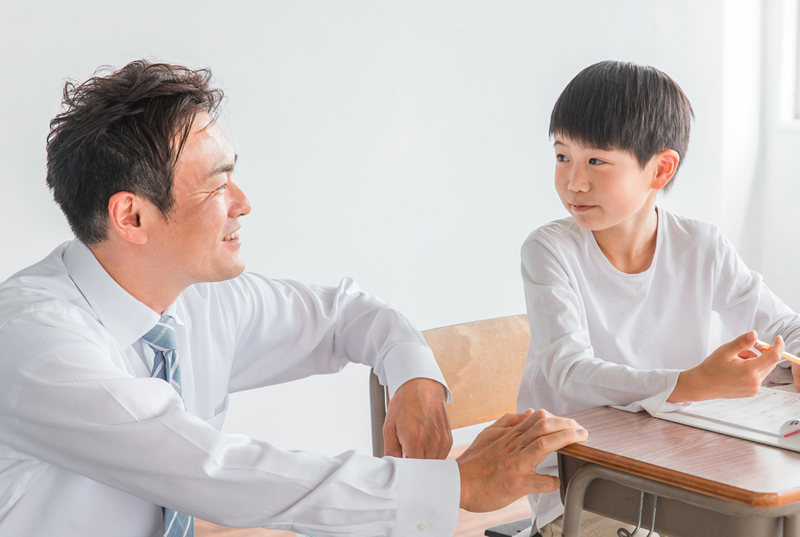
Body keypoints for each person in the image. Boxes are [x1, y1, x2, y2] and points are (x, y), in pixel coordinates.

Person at [0, 60, 587, 537]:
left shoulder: (194, 299)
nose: (243, 203)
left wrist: (415, 381)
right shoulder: (37, 346)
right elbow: (214, 473)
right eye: (217, 185)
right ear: (132, 216)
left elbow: (348, 315)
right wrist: (454, 486)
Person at [517, 60, 800, 537]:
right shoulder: (549, 250)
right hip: (580, 481)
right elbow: (568, 371)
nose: (574, 181)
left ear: (660, 169)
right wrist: (690, 384)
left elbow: (785, 328)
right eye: (563, 156)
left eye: (596, 161)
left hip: (679, 462)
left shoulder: (701, 246)